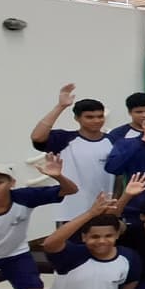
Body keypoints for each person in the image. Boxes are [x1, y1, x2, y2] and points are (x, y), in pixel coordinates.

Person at [0, 158, 77, 289]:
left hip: (15, 253)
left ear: (12, 183)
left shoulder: (24, 197)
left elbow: (71, 190)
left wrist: (58, 176)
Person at [41, 193, 141, 289]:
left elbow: (132, 281)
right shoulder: (72, 254)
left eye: (108, 236)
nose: (102, 241)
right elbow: (49, 244)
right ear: (84, 237)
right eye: (95, 237)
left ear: (117, 235)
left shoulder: (129, 256)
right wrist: (90, 213)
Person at [30, 83, 114, 226]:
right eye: (90, 117)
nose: (96, 121)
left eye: (100, 116)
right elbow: (37, 137)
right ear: (77, 118)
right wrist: (60, 107)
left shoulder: (113, 140)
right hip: (70, 213)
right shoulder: (63, 139)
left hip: (104, 211)